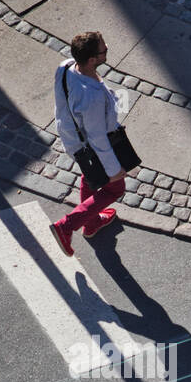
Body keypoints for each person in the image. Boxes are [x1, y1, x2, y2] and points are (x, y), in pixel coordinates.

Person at [49, 31, 128, 257]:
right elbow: (97, 138)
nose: (107, 49)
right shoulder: (90, 97)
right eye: (104, 49)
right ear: (92, 59)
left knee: (90, 176)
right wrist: (114, 170)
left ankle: (91, 223)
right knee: (115, 187)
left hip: (73, 137)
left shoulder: (65, 67)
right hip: (88, 143)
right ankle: (66, 226)